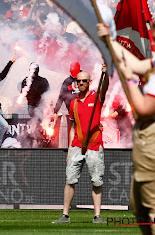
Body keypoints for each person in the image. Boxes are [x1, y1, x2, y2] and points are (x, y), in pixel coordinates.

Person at [98, 15, 155, 235]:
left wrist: (129, 81)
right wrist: (111, 41)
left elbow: (144, 108)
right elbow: (135, 63)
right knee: (140, 203)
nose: (153, 43)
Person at [53, 63, 109, 224]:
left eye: (84, 81)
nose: (81, 83)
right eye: (79, 81)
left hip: (94, 145)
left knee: (96, 181)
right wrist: (70, 150)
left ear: (90, 82)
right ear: (75, 83)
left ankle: (97, 215)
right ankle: (65, 214)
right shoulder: (74, 104)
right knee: (70, 180)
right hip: (77, 145)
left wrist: (105, 75)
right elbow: (73, 128)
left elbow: (104, 88)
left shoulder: (96, 97)